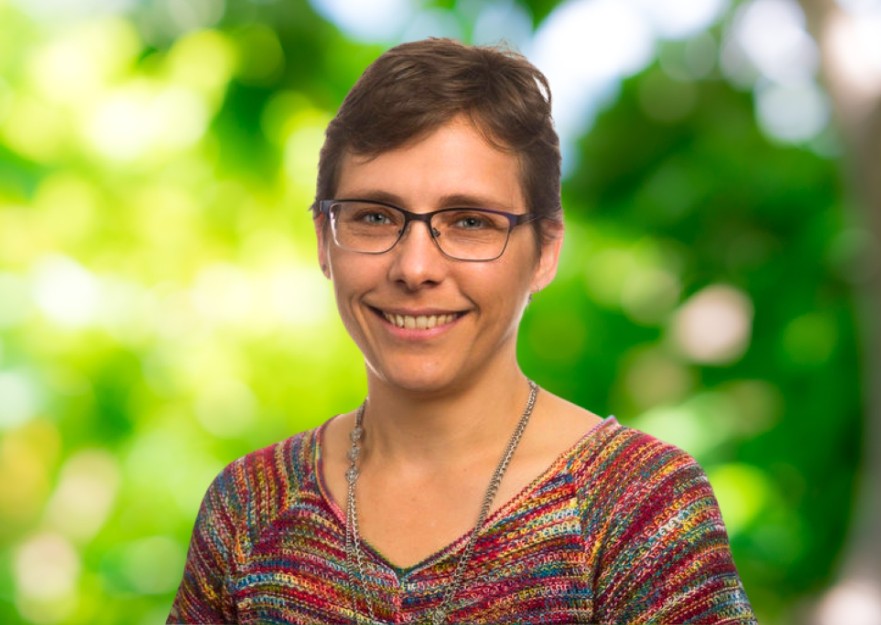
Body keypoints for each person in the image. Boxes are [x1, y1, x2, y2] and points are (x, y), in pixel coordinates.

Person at [168, 38, 757, 625]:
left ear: (545, 252)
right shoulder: (249, 508)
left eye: (470, 222)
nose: (415, 268)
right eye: (375, 217)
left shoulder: (637, 505)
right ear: (325, 241)